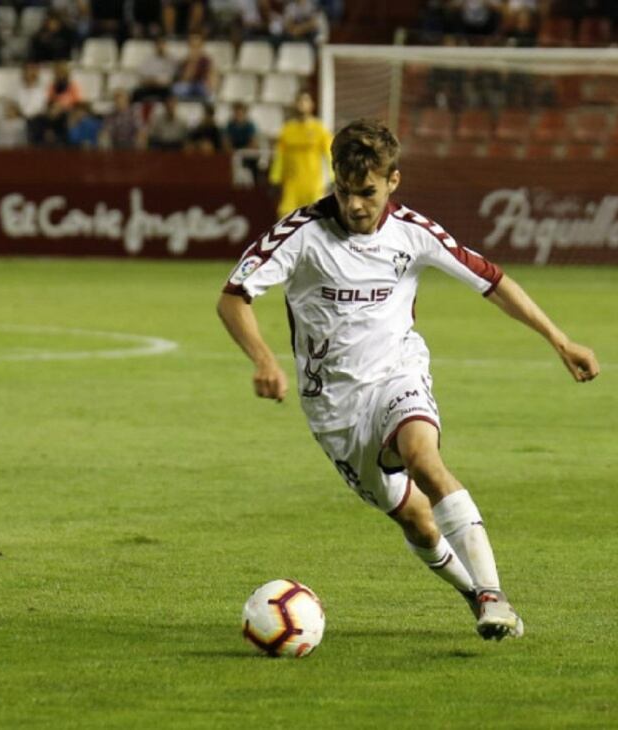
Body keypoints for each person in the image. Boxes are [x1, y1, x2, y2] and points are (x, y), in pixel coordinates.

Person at [217, 118, 599, 642]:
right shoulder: (301, 234)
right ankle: (474, 595)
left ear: (393, 181)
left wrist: (560, 340)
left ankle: (493, 594)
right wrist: (263, 358)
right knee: (417, 521)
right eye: (345, 191)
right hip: (334, 409)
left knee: (424, 457)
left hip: (398, 374)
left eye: (367, 192)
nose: (354, 205)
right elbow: (233, 296)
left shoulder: (414, 233)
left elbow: (492, 281)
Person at [268, 90, 332, 219]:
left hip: (313, 186)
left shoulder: (319, 129)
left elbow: (329, 155)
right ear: (295, 104)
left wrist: (333, 178)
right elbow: (280, 156)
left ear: (312, 105)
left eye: (305, 100)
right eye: (299, 101)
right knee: (283, 220)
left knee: (316, 221)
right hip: (291, 185)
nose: (302, 104)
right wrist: (275, 178)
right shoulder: (287, 129)